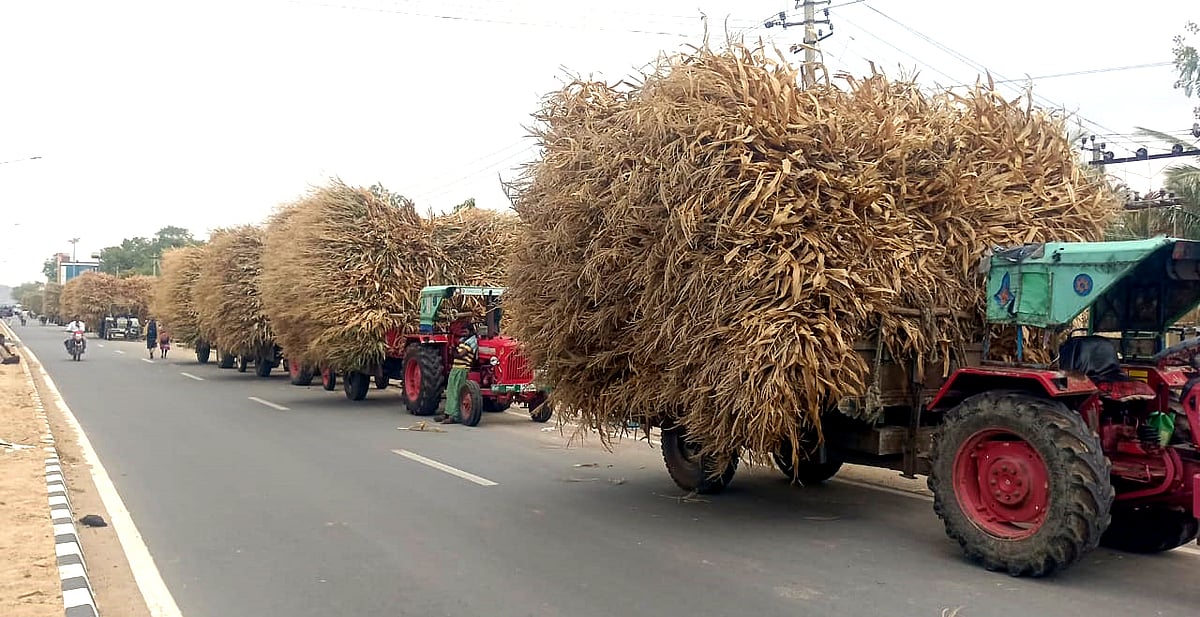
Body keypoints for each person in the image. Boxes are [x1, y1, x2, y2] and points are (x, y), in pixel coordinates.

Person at [437, 322, 478, 425]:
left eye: (466, 331)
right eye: (463, 331)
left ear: (471, 331)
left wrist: (453, 349)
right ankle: (447, 413)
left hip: (462, 370)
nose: (464, 333)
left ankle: (455, 417)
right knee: (451, 392)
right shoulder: (463, 341)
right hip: (456, 369)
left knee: (457, 393)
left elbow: (460, 355)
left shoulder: (471, 342)